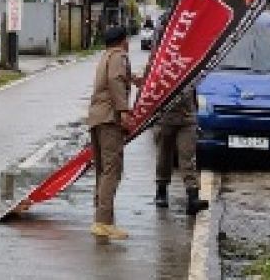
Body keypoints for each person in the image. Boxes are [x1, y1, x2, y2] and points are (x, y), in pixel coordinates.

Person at [86, 25, 142, 240]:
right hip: (109, 118)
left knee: (103, 169)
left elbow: (115, 78)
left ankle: (101, 218)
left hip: (97, 117)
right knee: (112, 169)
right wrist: (124, 111)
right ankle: (103, 222)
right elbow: (115, 81)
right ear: (123, 41)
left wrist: (133, 79)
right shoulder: (119, 56)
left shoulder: (106, 56)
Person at [153, 86, 209, 215]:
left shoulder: (188, 67)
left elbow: (194, 90)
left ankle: (192, 196)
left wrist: (195, 116)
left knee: (187, 157)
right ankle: (161, 190)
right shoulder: (158, 67)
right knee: (164, 157)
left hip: (187, 120)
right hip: (164, 119)